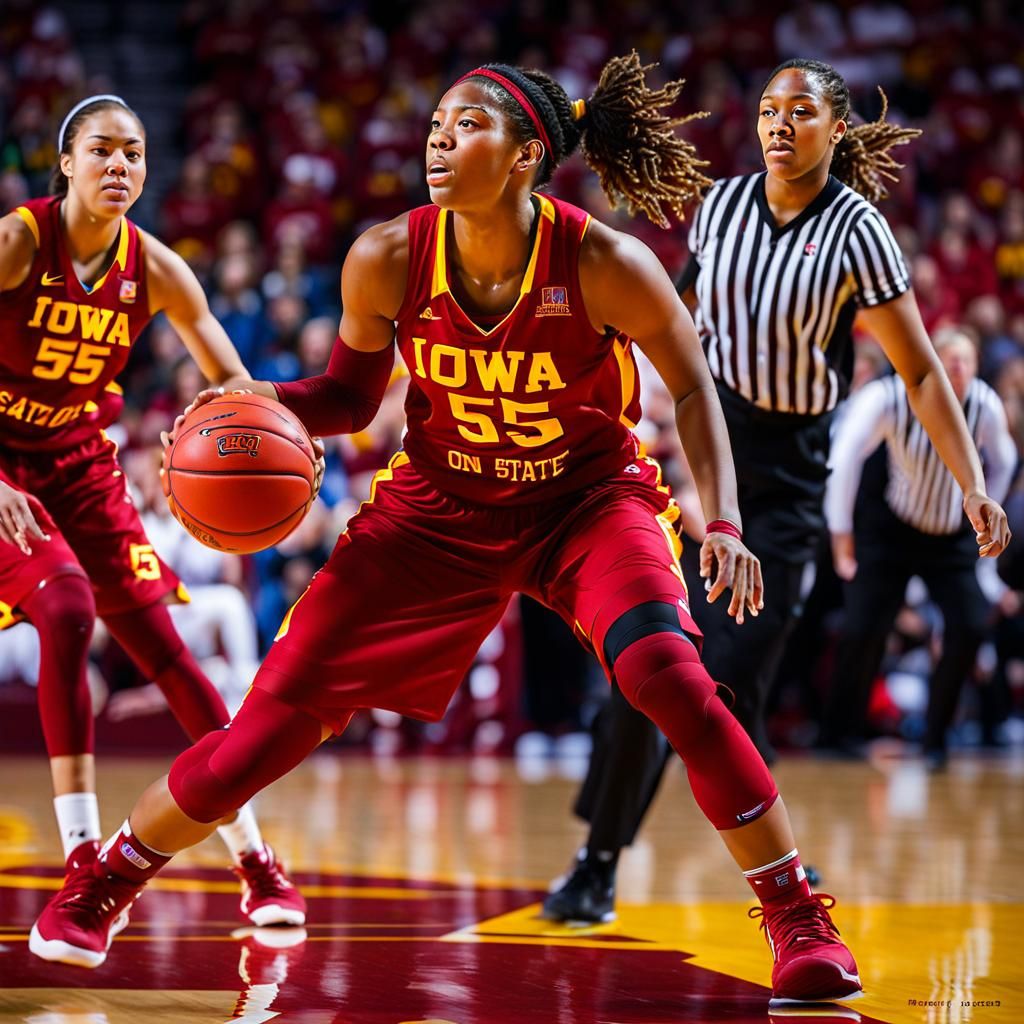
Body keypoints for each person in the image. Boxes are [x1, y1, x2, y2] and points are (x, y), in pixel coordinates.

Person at [31, 54, 1001, 1007]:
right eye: (436, 128)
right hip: (438, 512)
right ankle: (107, 877)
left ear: (528, 155)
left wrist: (721, 519)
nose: (440, 142)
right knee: (264, 732)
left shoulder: (601, 262)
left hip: (586, 505)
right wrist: (238, 411)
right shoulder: (386, 255)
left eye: (468, 127)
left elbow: (696, 386)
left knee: (670, 676)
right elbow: (344, 396)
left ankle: (795, 915)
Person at [544, 58, 1011, 927]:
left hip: (792, 479)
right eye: (767, 109)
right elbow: (669, 319)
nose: (778, 124)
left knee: (727, 677)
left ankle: (770, 864)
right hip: (708, 456)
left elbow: (918, 372)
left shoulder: (860, 232)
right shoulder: (720, 205)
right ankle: (601, 859)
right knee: (649, 664)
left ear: (836, 129)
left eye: (800, 112)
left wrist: (973, 482)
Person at [0, 95, 305, 933]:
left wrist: (286, 440)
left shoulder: (161, 268)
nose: (119, 167)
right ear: (64, 164)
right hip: (1, 467)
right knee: (63, 609)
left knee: (168, 650)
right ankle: (82, 858)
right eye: (100, 151)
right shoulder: (21, 240)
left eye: (133, 154)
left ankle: (256, 858)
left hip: (80, 463)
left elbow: (233, 381)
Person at [821, 326, 1017, 766]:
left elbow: (1004, 461)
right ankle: (838, 733)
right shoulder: (889, 395)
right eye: (951, 360)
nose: (960, 370)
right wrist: (841, 535)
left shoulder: (984, 403)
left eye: (968, 361)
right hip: (894, 528)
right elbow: (845, 455)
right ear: (931, 362)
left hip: (950, 535)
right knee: (861, 628)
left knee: (970, 626)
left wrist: (988, 511)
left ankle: (935, 739)